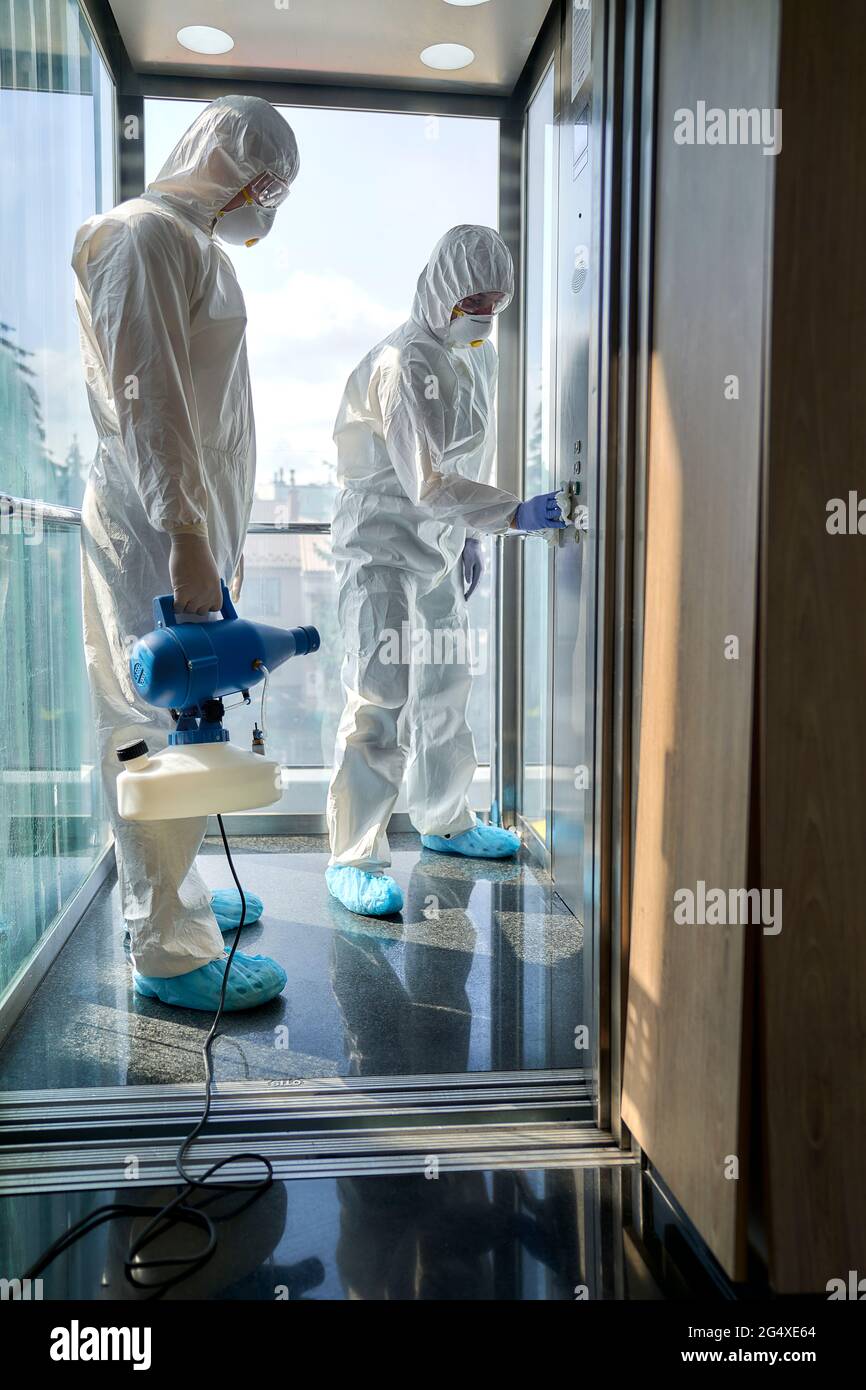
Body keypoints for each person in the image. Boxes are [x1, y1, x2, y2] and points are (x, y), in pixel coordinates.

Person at [73, 95, 299, 1011]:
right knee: (155, 722)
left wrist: (207, 535)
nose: (268, 202)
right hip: (153, 532)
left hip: (178, 531)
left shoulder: (188, 244)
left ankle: (183, 900)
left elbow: (209, 420)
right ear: (231, 165)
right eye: (268, 183)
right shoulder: (143, 237)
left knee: (186, 718)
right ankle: (165, 946)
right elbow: (152, 399)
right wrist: (187, 537)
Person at [326, 224, 566, 918]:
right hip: (380, 548)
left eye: (498, 297)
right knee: (380, 696)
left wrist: (467, 535)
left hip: (434, 543)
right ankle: (354, 856)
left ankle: (447, 817)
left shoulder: (472, 356)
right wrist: (513, 513)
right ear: (442, 290)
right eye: (474, 296)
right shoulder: (404, 363)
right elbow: (428, 479)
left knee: (446, 683)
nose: (486, 309)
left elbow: (463, 463)